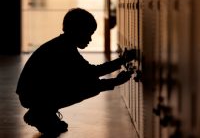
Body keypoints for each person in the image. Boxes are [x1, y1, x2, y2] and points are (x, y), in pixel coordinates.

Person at [16, 8, 135, 137]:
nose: (90, 39)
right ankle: (39, 112)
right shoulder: (64, 49)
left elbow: (87, 73)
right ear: (78, 30)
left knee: (87, 84)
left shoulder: (63, 44)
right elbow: (90, 73)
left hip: (33, 92)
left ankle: (46, 113)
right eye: (89, 34)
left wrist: (121, 62)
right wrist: (116, 78)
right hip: (32, 95)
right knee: (89, 87)